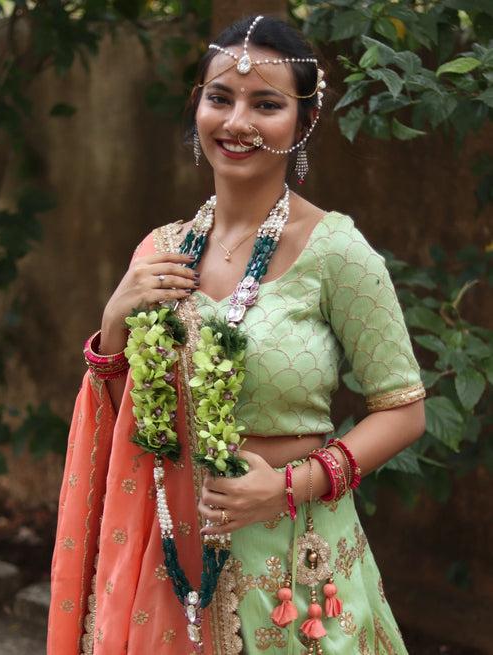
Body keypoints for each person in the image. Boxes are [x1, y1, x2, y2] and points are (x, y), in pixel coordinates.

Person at [48, 14, 426, 655]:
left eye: (266, 104)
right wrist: (113, 327)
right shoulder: (161, 254)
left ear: (302, 123)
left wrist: (285, 488)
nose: (237, 122)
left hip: (293, 566)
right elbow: (123, 430)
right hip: (167, 557)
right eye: (219, 98)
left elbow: (404, 411)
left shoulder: (335, 250)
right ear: (197, 107)